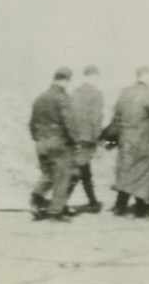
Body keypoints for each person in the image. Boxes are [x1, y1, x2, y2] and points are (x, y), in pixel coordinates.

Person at [107, 66, 149, 218]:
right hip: (144, 139)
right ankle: (143, 207)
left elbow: (116, 115)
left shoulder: (124, 92)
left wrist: (112, 138)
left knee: (126, 170)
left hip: (125, 139)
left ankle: (120, 206)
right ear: (147, 76)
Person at [28, 66, 79, 221]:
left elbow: (32, 123)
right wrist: (75, 141)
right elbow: (69, 122)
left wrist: (38, 138)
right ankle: (56, 212)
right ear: (66, 80)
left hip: (41, 142)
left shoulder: (40, 97)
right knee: (64, 174)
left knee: (48, 174)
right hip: (58, 142)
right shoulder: (62, 98)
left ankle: (36, 198)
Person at [69, 65, 105, 212]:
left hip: (75, 138)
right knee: (78, 171)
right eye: (96, 77)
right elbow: (96, 119)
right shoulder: (96, 94)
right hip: (88, 138)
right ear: (93, 77)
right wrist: (99, 140)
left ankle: (93, 201)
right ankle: (58, 203)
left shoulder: (75, 93)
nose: (97, 80)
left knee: (84, 170)